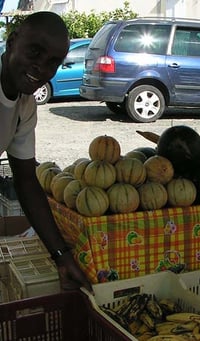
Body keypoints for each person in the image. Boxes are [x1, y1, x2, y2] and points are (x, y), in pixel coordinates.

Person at [0, 11, 93, 293]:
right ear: (13, 41)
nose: (41, 67)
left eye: (53, 62)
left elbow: (26, 180)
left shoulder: (25, 105)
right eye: (35, 52)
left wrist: (61, 256)